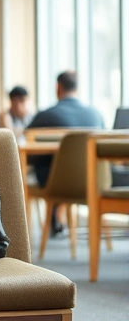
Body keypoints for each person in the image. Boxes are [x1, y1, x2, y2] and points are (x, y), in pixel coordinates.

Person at [25, 70, 104, 236]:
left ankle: (50, 219)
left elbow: (27, 153)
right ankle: (57, 217)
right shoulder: (96, 116)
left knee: (47, 165)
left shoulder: (45, 116)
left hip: (55, 183)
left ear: (58, 87)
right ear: (77, 88)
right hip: (93, 181)